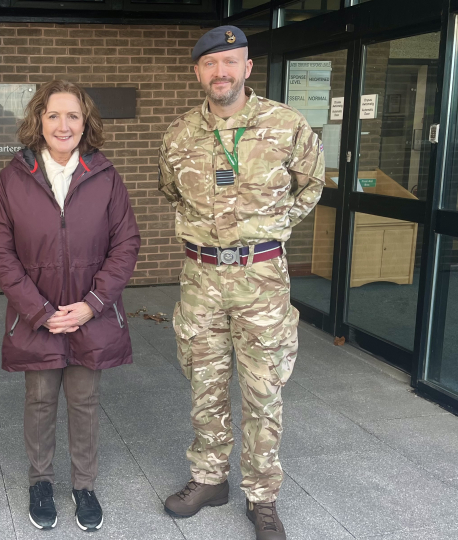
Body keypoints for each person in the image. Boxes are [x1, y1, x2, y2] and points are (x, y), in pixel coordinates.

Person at [158, 26, 325, 540]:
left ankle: (263, 497)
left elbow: (311, 184)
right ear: (198, 73)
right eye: (210, 64)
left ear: (248, 68)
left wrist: (271, 230)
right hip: (202, 277)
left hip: (262, 281)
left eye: (231, 62)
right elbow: (172, 194)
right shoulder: (180, 134)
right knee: (204, 384)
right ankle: (210, 479)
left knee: (262, 390)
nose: (221, 72)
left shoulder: (286, 126)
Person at [0, 80, 140, 533]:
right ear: (39, 120)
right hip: (39, 316)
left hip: (88, 315)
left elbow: (126, 243)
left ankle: (84, 485)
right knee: (39, 400)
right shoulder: (15, 177)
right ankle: (41, 482)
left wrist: (92, 305)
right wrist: (38, 309)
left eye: (73, 115)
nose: (63, 124)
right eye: (54, 115)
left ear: (86, 122)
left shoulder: (105, 175)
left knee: (85, 400)